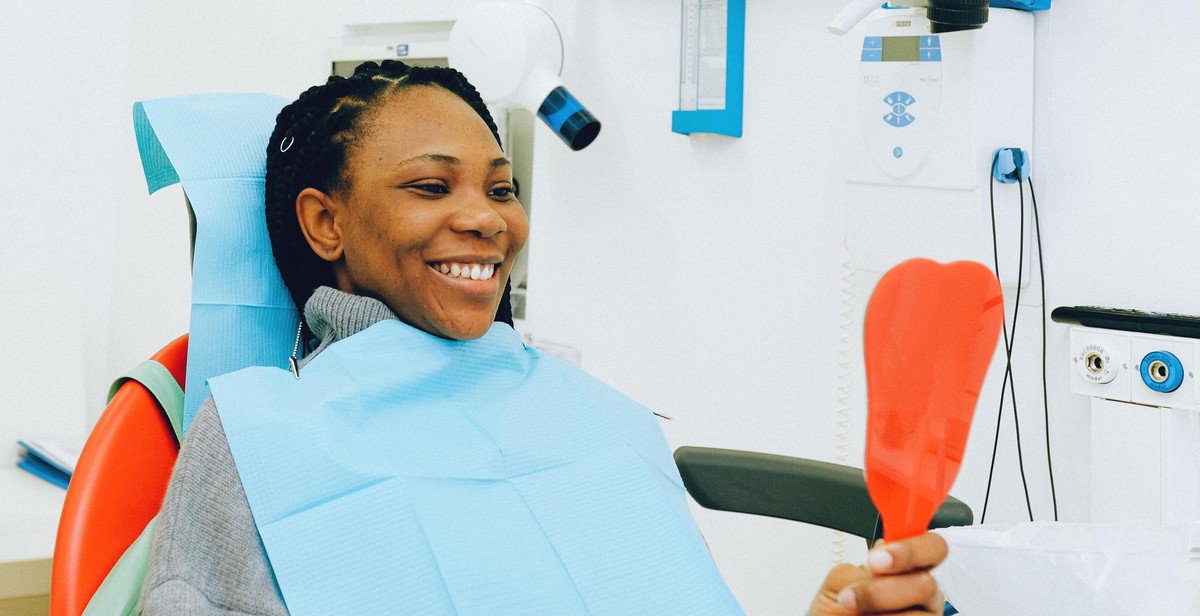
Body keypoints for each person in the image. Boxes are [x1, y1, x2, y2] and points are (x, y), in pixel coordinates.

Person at [138, 60, 947, 615]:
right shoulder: (260, 434)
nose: (488, 217)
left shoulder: (593, 417)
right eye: (430, 186)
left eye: (502, 188)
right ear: (326, 221)